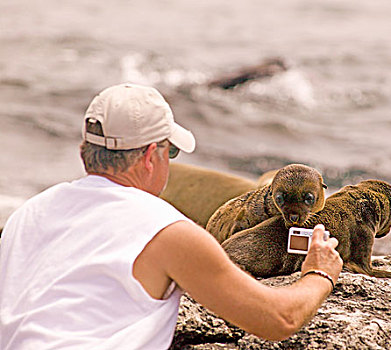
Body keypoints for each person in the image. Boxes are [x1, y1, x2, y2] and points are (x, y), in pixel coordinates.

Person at [0, 83, 342, 349]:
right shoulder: (166, 231)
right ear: (151, 156)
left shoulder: (25, 215)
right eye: (172, 151)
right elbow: (278, 319)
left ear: (84, 153)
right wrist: (319, 273)